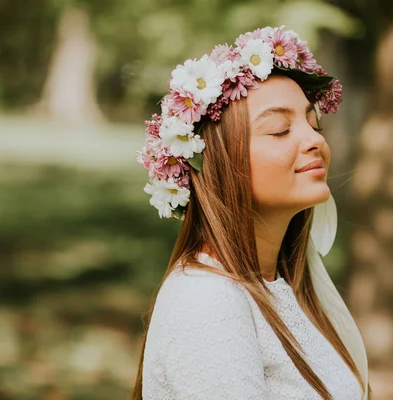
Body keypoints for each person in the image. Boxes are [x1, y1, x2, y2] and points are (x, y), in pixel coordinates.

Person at [133, 26, 370, 400]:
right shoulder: (207, 300)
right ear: (217, 163)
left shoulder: (286, 286)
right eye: (279, 130)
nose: (316, 141)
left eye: (313, 123)